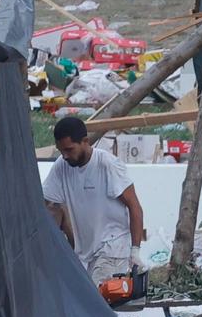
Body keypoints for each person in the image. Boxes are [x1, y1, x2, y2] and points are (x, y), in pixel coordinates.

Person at [44, 115, 146, 282]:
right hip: (84, 252)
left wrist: (135, 251)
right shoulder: (61, 166)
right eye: (61, 150)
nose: (65, 155)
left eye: (69, 149)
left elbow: (134, 206)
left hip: (112, 248)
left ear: (85, 141)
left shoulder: (107, 165)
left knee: (97, 301)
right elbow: (51, 207)